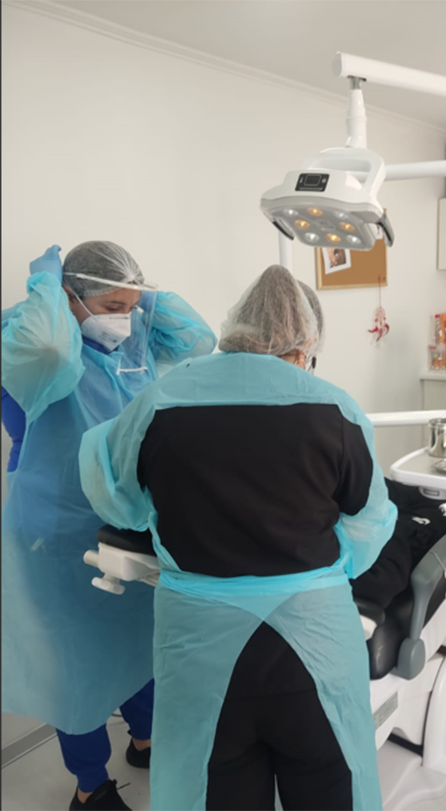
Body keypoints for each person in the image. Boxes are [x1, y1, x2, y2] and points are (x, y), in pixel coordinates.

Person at [79, 265, 397, 811]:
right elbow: (368, 523)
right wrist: (326, 568)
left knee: (213, 791)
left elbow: (117, 500)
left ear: (236, 328)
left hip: (198, 648)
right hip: (315, 646)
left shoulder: (161, 400)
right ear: (306, 343)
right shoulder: (335, 408)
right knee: (329, 786)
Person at [1, 241, 217, 811]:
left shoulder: (129, 341)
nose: (126, 318)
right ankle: (89, 784)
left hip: (126, 518)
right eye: (113, 306)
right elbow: (50, 349)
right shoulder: (30, 343)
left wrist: (145, 297)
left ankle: (145, 740)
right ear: (70, 298)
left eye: (132, 306)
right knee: (76, 663)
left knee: (137, 640)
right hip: (57, 531)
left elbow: (199, 340)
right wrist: (48, 284)